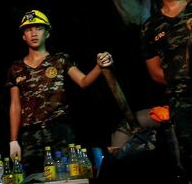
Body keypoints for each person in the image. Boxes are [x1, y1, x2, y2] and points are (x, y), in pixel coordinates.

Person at [7, 9, 113, 174]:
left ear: (47, 33)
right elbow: (15, 105)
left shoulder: (60, 59)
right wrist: (13, 140)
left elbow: (83, 82)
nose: (33, 33)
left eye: (39, 28)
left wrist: (99, 66)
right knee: (32, 179)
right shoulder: (16, 68)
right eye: (28, 29)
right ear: (23, 36)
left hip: (59, 131)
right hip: (30, 135)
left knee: (65, 176)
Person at [141, 0, 192, 184]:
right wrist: (183, 81)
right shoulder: (151, 27)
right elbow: (154, 72)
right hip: (182, 103)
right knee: (191, 158)